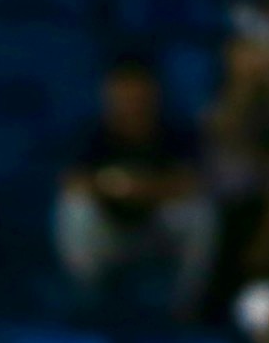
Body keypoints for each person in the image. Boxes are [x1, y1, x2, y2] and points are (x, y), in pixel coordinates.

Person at [57, 59, 216, 317]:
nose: (131, 102)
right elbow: (73, 182)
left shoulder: (175, 133)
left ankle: (184, 310)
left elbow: (192, 183)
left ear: (153, 93)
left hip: (159, 231)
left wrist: (140, 188)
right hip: (109, 232)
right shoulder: (91, 133)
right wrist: (116, 187)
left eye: (137, 93)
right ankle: (86, 304)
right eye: (123, 94)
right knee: (74, 208)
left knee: (199, 212)